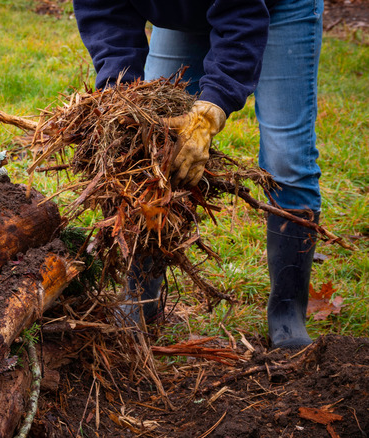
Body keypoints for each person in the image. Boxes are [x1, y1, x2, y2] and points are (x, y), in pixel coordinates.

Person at [73, 0, 323, 350]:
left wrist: (212, 107)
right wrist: (122, 89)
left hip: (277, 7)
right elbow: (102, 10)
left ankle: (287, 314)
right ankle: (139, 302)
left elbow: (242, 15)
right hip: (183, 13)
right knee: (153, 145)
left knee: (286, 159)